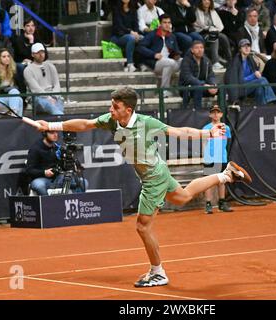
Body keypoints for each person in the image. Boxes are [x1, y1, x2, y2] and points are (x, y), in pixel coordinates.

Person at [34, 87, 253, 287]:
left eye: (115, 106)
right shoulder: (111, 120)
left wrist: (208, 134)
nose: (111, 109)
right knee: (183, 196)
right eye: (111, 105)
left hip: (153, 177)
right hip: (157, 169)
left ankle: (158, 271)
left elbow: (179, 131)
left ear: (128, 110)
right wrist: (52, 125)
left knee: (142, 226)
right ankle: (226, 175)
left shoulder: (146, 123)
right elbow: (85, 124)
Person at [25, 130, 88, 196]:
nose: (55, 135)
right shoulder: (36, 149)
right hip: (42, 179)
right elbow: (29, 170)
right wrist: (44, 172)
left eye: (56, 132)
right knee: (39, 185)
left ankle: (75, 203)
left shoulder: (58, 148)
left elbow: (63, 166)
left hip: (58, 178)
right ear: (45, 134)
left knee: (83, 183)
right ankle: (48, 205)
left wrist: (74, 166)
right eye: (52, 133)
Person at [137, 14, 182, 97]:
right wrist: (153, 54)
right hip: (155, 63)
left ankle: (185, 88)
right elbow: (140, 47)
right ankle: (164, 90)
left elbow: (176, 51)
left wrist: (176, 55)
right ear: (160, 24)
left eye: (169, 22)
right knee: (170, 63)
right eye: (165, 22)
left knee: (183, 61)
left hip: (169, 62)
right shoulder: (152, 34)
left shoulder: (172, 36)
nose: (167, 24)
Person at [225, 38, 276, 105]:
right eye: (244, 46)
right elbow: (238, 81)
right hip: (239, 88)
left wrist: (257, 74)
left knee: (260, 89)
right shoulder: (235, 62)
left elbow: (255, 75)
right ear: (240, 49)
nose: (247, 48)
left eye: (248, 46)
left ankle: (262, 110)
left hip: (250, 86)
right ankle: (272, 100)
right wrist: (253, 76)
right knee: (262, 80)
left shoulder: (250, 59)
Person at [202, 105, 232, 214]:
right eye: (213, 112)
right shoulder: (206, 128)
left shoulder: (226, 128)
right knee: (208, 183)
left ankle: (222, 203)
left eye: (218, 112)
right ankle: (208, 204)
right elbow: (203, 143)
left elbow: (227, 142)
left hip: (222, 157)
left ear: (221, 114)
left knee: (222, 181)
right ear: (210, 115)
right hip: (209, 158)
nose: (215, 114)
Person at [24, 43, 64, 115]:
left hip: (53, 95)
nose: (41, 54)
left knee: (59, 101)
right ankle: (61, 119)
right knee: (44, 102)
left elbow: (56, 83)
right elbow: (35, 89)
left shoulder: (50, 66)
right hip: (37, 97)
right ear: (33, 54)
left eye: (42, 52)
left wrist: (54, 97)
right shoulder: (28, 70)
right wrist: (48, 98)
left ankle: (60, 119)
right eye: (38, 53)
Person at [179, 40, 218, 108]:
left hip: (203, 87)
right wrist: (203, 84)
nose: (200, 50)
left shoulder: (206, 60)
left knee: (221, 88)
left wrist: (213, 84)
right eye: (197, 48)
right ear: (192, 50)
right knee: (198, 88)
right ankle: (198, 113)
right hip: (187, 88)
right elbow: (188, 77)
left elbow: (211, 75)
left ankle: (223, 113)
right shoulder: (186, 61)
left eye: (201, 47)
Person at [193, 0, 232, 70]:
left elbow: (220, 25)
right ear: (201, 2)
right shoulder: (197, 11)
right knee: (214, 37)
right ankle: (215, 62)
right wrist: (211, 29)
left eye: (208, 0)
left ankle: (230, 60)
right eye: (204, 0)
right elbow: (201, 24)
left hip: (213, 31)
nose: (206, 2)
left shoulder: (213, 11)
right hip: (202, 33)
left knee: (223, 37)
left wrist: (215, 30)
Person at [0, 48, 23, 116]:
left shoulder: (13, 69)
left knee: (18, 97)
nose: (7, 58)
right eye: (4, 57)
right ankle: (16, 119)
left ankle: (14, 115)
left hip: (11, 98)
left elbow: (21, 86)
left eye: (8, 56)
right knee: (16, 95)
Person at [111, 0, 142, 72]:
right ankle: (130, 64)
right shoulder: (116, 9)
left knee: (143, 38)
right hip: (118, 36)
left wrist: (136, 32)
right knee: (131, 38)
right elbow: (119, 26)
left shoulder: (133, 9)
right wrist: (131, 32)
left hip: (132, 34)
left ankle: (141, 64)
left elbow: (136, 24)